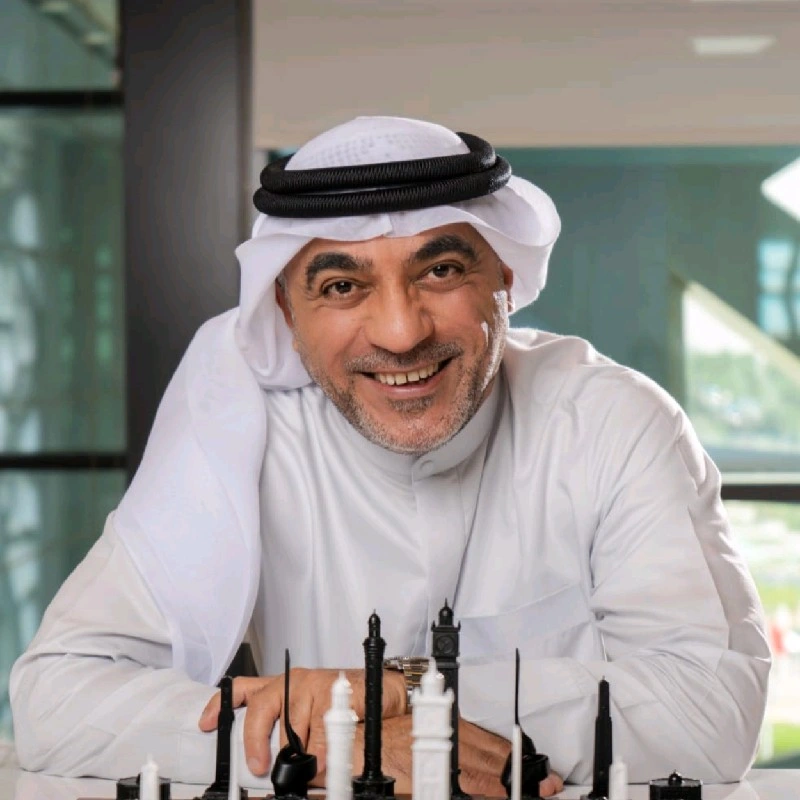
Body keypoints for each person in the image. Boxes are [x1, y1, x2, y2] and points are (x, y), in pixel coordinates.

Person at [10, 116, 769, 795]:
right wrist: (332, 746)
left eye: (440, 272)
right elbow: (57, 699)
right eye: (343, 286)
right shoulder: (241, 432)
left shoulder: (612, 423)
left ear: (504, 278)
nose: (401, 333)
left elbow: (709, 715)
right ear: (287, 312)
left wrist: (400, 692)